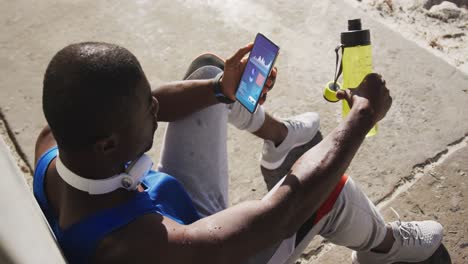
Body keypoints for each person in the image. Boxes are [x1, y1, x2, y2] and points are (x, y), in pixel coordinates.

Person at [33, 42, 443, 264]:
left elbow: (152, 101)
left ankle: (281, 138)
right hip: (203, 249)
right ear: (107, 143)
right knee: (330, 194)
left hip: (170, 213)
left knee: (208, 72)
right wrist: (362, 117)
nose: (156, 107)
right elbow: (282, 211)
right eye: (147, 107)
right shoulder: (137, 248)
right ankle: (384, 248)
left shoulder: (54, 144)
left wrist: (218, 90)